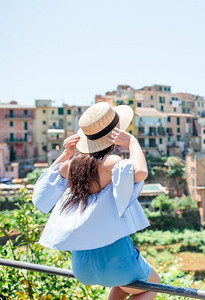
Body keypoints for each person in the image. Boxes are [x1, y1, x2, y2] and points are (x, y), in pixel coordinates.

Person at [32, 102, 160, 300]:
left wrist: (66, 154)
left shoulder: (71, 167)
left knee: (122, 287)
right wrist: (132, 141)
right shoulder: (110, 163)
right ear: (114, 135)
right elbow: (141, 172)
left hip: (82, 268)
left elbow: (45, 184)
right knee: (154, 284)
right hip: (119, 263)